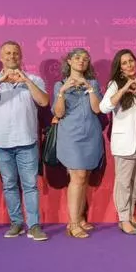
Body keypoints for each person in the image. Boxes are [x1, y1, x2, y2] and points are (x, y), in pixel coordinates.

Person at [0, 41, 50, 241]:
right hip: (1, 142)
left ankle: (34, 225)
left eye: (15, 53)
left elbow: (43, 101)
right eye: (7, 53)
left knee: (30, 185)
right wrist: (0, 81)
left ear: (21, 56)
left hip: (27, 141)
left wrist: (26, 81)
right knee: (9, 185)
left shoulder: (33, 79)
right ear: (1, 57)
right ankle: (16, 222)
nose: (11, 56)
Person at [52, 48, 104, 239]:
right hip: (71, 135)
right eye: (77, 58)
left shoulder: (93, 83)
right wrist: (62, 92)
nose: (81, 61)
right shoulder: (59, 85)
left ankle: (80, 218)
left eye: (85, 59)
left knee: (84, 176)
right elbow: (58, 113)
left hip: (91, 133)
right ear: (69, 61)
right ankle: (73, 224)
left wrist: (89, 88)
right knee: (78, 175)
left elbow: (97, 109)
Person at [99, 49, 136, 235]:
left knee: (135, 182)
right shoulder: (114, 84)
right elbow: (103, 107)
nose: (129, 65)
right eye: (125, 63)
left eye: (131, 61)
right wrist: (123, 89)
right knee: (123, 183)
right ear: (119, 68)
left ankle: (131, 215)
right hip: (124, 143)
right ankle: (123, 219)